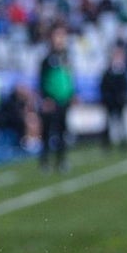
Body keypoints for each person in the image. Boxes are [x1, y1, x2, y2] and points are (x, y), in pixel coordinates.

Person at [38, 24, 75, 173]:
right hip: (51, 101)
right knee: (48, 132)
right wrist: (46, 98)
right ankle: (45, 161)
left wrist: (72, 94)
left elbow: (69, 78)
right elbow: (42, 80)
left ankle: (61, 161)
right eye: (57, 36)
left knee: (62, 132)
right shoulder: (47, 59)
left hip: (63, 101)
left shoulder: (66, 57)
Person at [99, 42, 127, 151]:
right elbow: (103, 86)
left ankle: (123, 143)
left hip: (119, 101)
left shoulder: (122, 71)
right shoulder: (108, 71)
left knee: (121, 122)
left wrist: (123, 97)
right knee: (108, 123)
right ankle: (106, 144)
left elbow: (126, 87)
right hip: (110, 101)